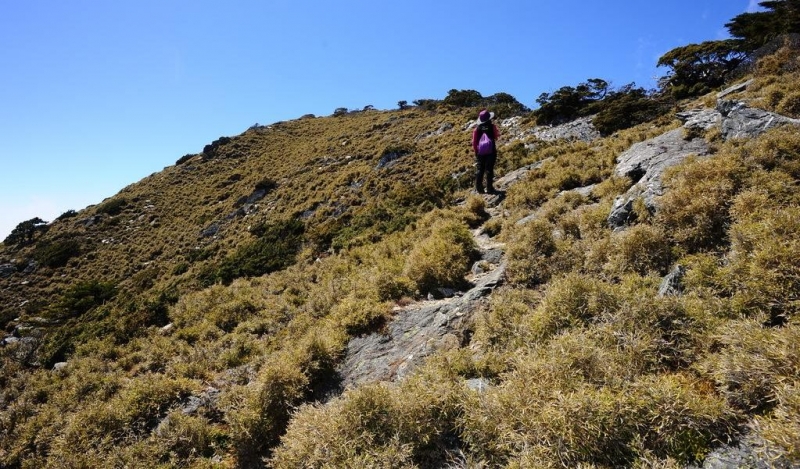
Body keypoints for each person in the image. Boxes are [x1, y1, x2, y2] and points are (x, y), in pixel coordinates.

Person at [471, 109, 501, 194]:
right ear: (489, 118)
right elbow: (496, 136)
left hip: (480, 152)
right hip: (491, 150)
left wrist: (476, 152)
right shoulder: (492, 126)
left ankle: (479, 188)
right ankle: (489, 188)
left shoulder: (477, 129)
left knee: (480, 169)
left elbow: (474, 141)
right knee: (489, 169)